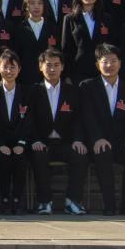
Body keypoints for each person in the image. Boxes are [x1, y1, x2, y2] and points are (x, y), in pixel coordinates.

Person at [79, 44, 125, 216]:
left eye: (114, 61)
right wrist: (97, 138)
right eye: (105, 61)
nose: (110, 65)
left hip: (122, 140)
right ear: (97, 65)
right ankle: (109, 205)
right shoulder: (87, 86)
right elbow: (87, 116)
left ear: (120, 64)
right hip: (98, 141)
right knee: (103, 152)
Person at [26, 49, 90, 215]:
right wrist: (35, 140)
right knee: (38, 156)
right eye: (48, 65)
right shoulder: (33, 91)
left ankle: (72, 201)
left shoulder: (72, 91)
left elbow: (78, 118)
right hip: (42, 142)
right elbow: (29, 120)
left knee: (80, 155)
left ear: (62, 67)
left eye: (56, 65)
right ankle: (44, 201)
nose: (52, 69)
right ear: (41, 66)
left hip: (65, 142)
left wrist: (78, 140)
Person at [0, 50, 31, 215]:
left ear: (19, 69)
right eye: (5, 67)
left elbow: (28, 121)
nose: (9, 71)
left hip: (19, 141)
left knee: (20, 157)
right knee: (3, 157)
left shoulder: (26, 92)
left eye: (13, 67)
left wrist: (21, 143)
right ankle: (5, 198)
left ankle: (17, 199)